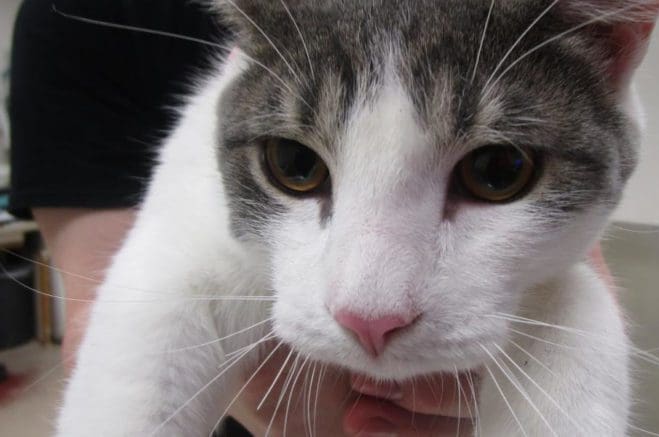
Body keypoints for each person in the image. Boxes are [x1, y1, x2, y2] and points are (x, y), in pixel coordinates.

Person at [8, 1, 485, 435]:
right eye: (298, 167)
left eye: (492, 173)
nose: (372, 309)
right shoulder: (72, 16)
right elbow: (135, 330)